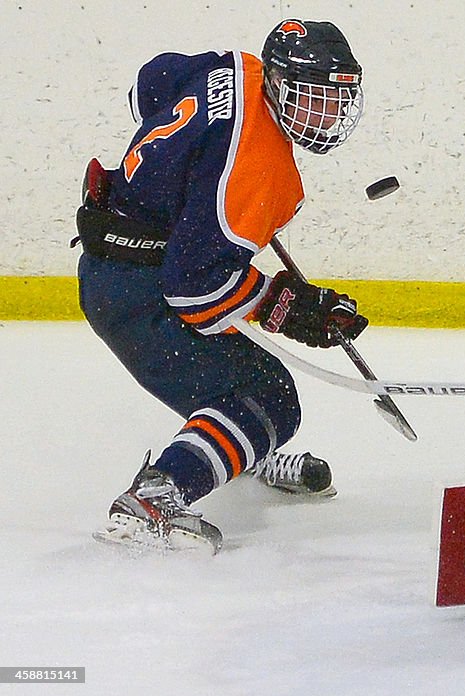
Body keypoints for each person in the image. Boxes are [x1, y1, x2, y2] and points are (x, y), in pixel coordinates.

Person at [76, 19, 370, 554]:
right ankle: (153, 499)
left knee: (242, 384)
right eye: (317, 96)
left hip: (120, 258)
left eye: (340, 96)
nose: (330, 112)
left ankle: (235, 448)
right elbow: (194, 293)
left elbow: (149, 84)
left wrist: (186, 165)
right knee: (268, 398)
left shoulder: (232, 67)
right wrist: (283, 306)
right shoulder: (259, 171)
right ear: (279, 83)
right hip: (134, 292)